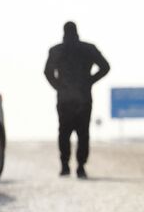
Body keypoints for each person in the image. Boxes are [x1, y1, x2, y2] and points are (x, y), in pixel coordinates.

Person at [44, 21, 110, 178]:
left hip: (65, 99)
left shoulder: (56, 50)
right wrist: (90, 81)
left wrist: (59, 86)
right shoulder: (88, 49)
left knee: (64, 132)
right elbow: (105, 67)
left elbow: (47, 72)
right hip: (83, 98)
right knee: (83, 133)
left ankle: (65, 165)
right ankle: (80, 166)